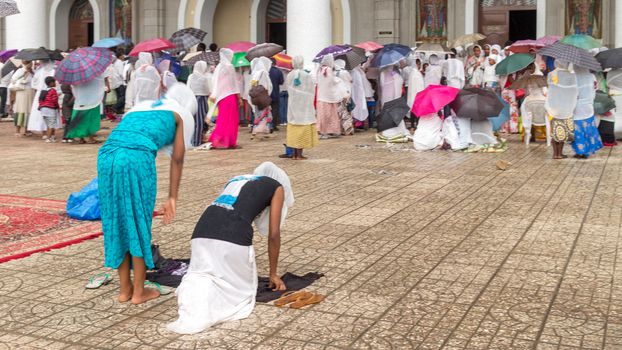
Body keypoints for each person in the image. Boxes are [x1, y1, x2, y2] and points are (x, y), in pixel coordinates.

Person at [98, 83, 196, 305]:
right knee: (138, 221)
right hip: (135, 160)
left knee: (117, 221)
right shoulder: (179, 114)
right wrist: (172, 197)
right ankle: (139, 292)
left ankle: (125, 290)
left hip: (106, 155)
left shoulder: (142, 106)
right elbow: (177, 158)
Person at [167, 162, 294, 334]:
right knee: (238, 290)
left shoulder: (236, 179)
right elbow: (273, 234)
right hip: (232, 238)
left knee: (206, 274)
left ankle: (196, 298)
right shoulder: (277, 187)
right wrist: (273, 273)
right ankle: (207, 306)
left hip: (200, 234)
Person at [285, 56, 319, 160]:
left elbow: (288, 88)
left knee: (294, 129)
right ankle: (299, 154)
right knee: (303, 128)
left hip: (293, 105)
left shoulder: (290, 75)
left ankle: (295, 154)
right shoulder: (306, 75)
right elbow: (311, 90)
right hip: (304, 107)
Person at [209, 48, 241, 149]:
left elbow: (214, 82)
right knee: (231, 119)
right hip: (230, 96)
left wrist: (214, 94)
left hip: (221, 97)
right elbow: (234, 83)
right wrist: (239, 97)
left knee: (222, 119)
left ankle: (219, 140)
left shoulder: (219, 67)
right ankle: (229, 141)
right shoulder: (229, 67)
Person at [545, 60, 578, 159]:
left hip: (554, 106)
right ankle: (560, 153)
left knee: (555, 131)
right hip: (566, 106)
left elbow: (550, 88)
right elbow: (575, 90)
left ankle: (555, 153)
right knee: (563, 131)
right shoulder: (572, 75)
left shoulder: (551, 74)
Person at [66, 72, 106, 144]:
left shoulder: (74, 75)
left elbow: (72, 87)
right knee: (90, 120)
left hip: (79, 102)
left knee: (79, 121)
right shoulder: (93, 74)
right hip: (91, 101)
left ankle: (80, 138)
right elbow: (99, 83)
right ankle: (90, 138)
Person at [572, 66, 603, 158]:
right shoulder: (591, 76)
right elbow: (595, 89)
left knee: (578, 129)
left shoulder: (574, 77)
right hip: (589, 105)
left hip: (578, 106)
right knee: (589, 127)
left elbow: (574, 92)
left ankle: (580, 151)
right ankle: (589, 150)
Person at [316, 54, 344, 139]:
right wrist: (338, 80)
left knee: (323, 114)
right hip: (328, 96)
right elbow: (331, 81)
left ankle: (323, 131)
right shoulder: (328, 70)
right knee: (330, 115)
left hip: (321, 95)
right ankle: (329, 131)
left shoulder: (320, 70)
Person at [28, 60, 56, 137]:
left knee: (42, 113)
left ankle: (45, 133)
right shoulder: (53, 71)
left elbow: (33, 83)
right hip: (49, 93)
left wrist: (38, 88)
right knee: (51, 113)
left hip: (41, 93)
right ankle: (50, 133)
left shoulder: (39, 71)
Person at [187, 61, 212, 146]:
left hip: (192, 99)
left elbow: (188, 87)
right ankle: (197, 141)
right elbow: (208, 90)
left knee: (193, 121)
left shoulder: (191, 76)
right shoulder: (204, 78)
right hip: (202, 99)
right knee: (200, 121)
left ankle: (193, 140)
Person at [249, 57, 273, 139]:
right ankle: (259, 129)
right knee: (264, 114)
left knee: (257, 114)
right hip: (263, 98)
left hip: (256, 98)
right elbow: (267, 86)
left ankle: (258, 130)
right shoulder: (264, 73)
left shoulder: (255, 73)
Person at [9, 61, 34, 137]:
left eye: (31, 63)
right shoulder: (20, 71)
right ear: (25, 63)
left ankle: (27, 130)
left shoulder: (33, 71)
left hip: (30, 92)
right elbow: (13, 80)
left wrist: (32, 73)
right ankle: (17, 130)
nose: (30, 65)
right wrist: (24, 74)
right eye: (29, 63)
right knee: (21, 110)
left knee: (29, 110)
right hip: (21, 92)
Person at [334, 59, 354, 136]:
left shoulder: (334, 73)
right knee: (348, 111)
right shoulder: (345, 72)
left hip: (338, 95)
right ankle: (349, 129)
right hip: (346, 93)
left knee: (340, 112)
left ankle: (341, 129)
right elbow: (351, 80)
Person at [38, 77, 60, 143]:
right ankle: (48, 138)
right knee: (52, 124)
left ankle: (52, 137)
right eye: (54, 82)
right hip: (50, 109)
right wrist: (57, 107)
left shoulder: (43, 91)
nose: (55, 83)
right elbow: (54, 100)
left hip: (43, 109)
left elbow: (40, 100)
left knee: (48, 124)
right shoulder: (53, 91)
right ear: (51, 83)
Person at [268, 58, 284, 130]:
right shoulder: (278, 71)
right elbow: (281, 82)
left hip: (267, 94)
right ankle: (273, 125)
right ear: (275, 63)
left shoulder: (266, 71)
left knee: (267, 109)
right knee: (275, 109)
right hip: (275, 93)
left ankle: (268, 124)